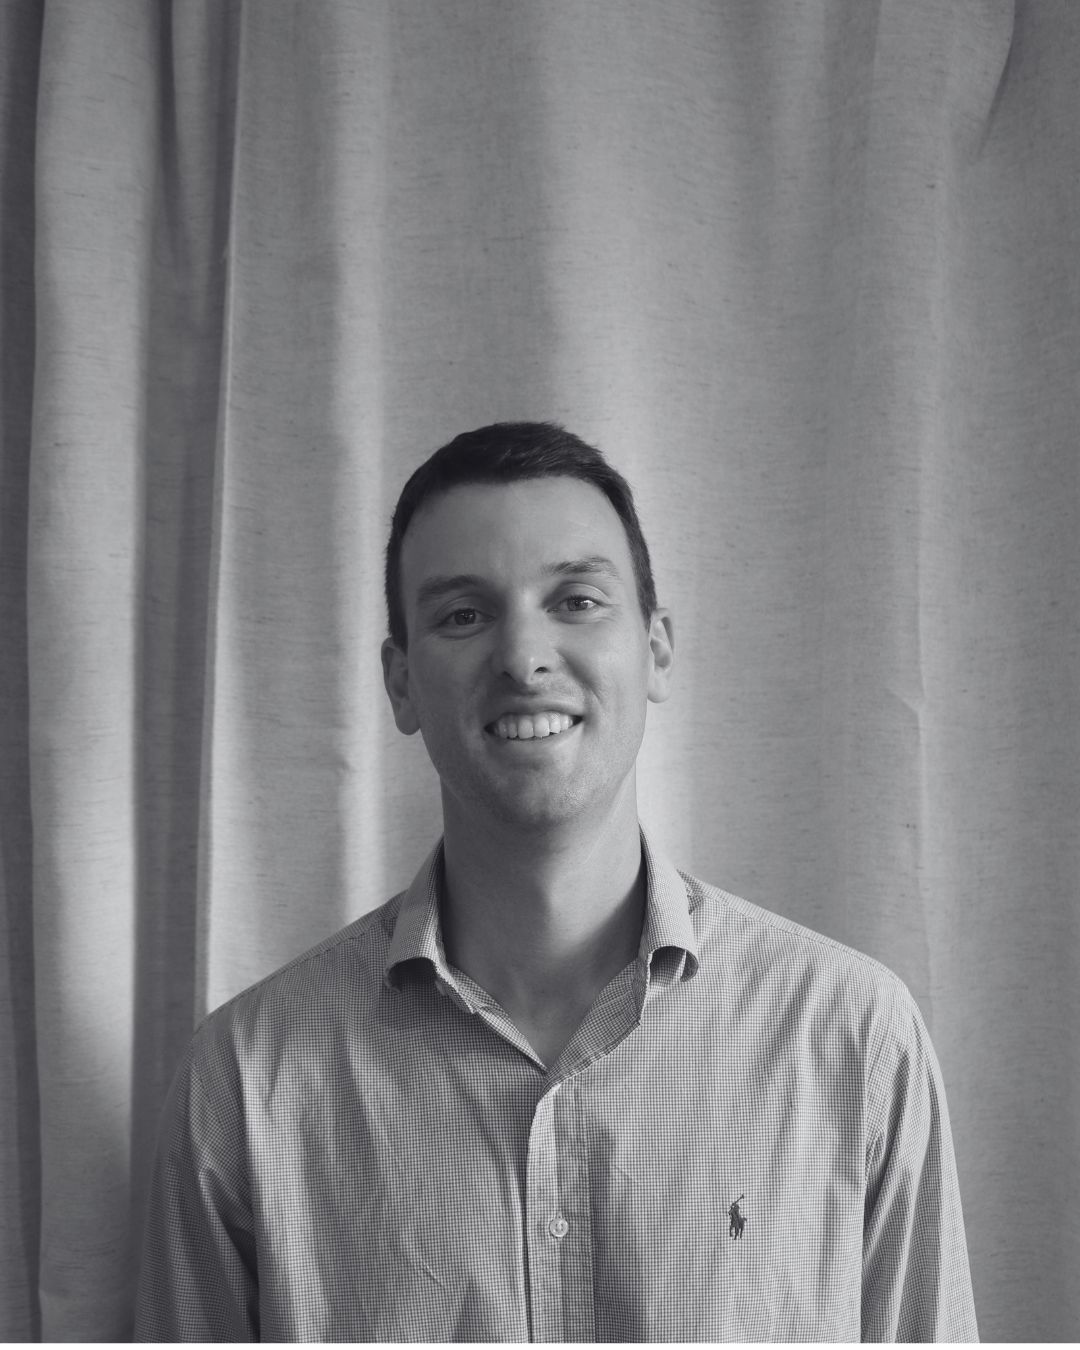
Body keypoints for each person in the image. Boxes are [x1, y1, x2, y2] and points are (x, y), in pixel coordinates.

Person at [135, 422, 979, 1342]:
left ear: (657, 648)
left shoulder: (854, 1040)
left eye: (576, 600)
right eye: (464, 615)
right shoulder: (245, 1084)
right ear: (401, 683)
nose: (523, 658)